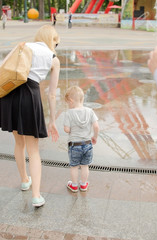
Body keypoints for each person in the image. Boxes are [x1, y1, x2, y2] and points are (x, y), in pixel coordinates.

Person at [0, 25, 60, 207]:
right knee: (34, 151)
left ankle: (25, 180)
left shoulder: (24, 46)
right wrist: (53, 120)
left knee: (19, 143)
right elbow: (51, 93)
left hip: (10, 94)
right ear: (52, 40)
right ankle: (36, 196)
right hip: (29, 97)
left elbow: (3, 67)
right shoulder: (53, 58)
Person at [64, 86, 99, 192]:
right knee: (85, 166)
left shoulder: (69, 113)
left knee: (74, 166)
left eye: (68, 102)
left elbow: (66, 129)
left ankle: (74, 185)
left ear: (71, 101)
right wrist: (95, 137)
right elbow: (96, 126)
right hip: (88, 144)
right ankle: (83, 185)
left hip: (74, 145)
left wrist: (70, 129)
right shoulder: (90, 111)